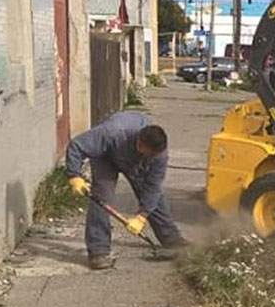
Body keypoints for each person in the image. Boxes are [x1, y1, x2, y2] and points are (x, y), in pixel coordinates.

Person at [66, 111, 188, 269]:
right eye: (148, 152)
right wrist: (74, 176)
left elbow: (153, 186)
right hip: (106, 157)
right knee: (102, 197)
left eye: (153, 155)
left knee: (153, 195)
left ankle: (171, 239)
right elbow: (77, 146)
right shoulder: (112, 132)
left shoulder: (158, 155)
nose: (152, 156)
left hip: (134, 161)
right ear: (140, 142)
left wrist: (141, 217)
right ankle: (98, 251)